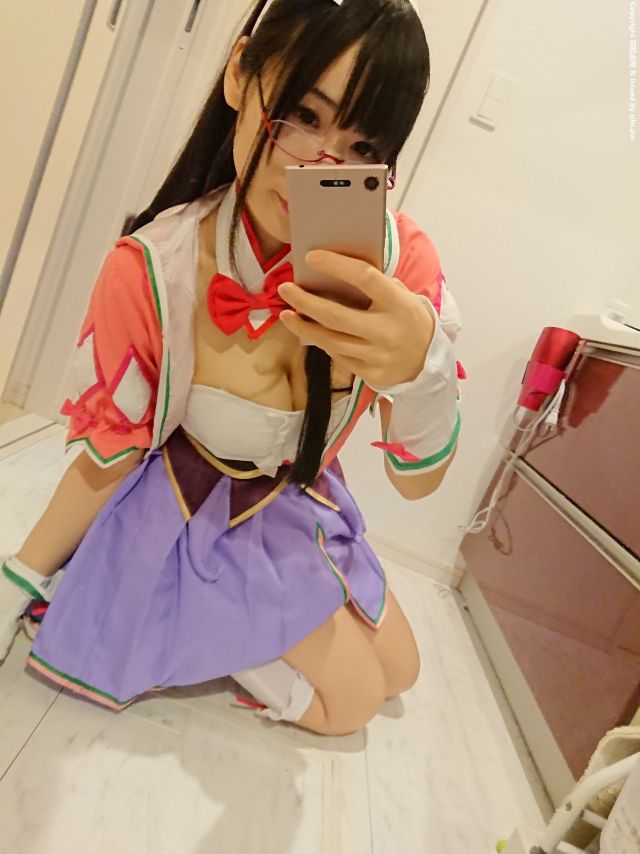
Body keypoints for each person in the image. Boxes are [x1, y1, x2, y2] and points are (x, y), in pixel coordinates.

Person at [0, 0, 463, 737]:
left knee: (401, 670)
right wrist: (17, 578)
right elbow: (109, 454)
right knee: (350, 706)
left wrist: (422, 372)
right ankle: (182, 619)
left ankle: (222, 626)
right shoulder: (157, 267)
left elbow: (416, 481)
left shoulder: (399, 266)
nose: (319, 166)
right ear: (241, 73)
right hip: (184, 508)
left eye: (361, 144)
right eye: (302, 116)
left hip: (289, 500)